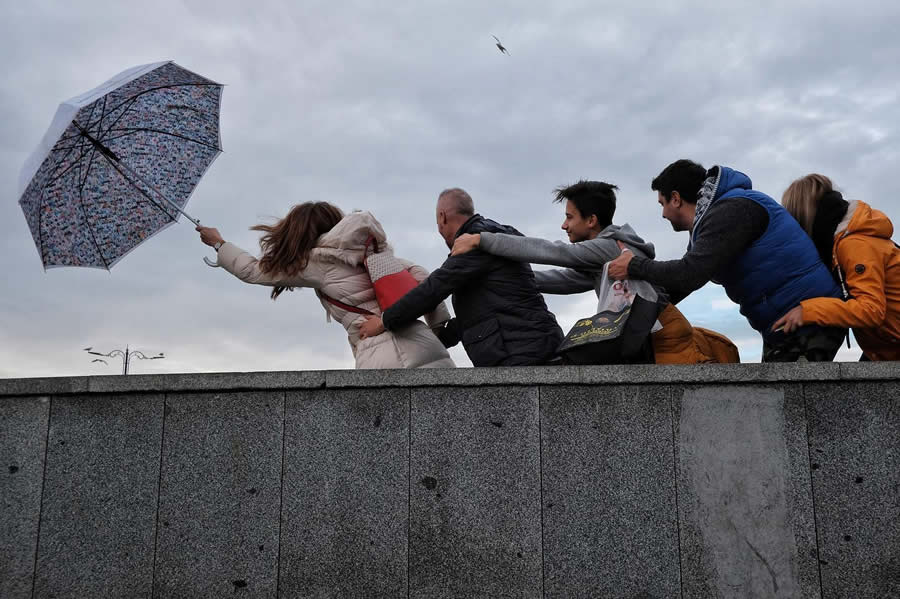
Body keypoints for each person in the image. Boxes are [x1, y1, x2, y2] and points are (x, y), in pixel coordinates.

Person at [450, 180, 739, 364]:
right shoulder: (607, 254)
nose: (564, 226)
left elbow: (556, 253)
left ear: (591, 220)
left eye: (569, 217)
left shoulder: (608, 247)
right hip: (653, 337)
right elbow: (563, 280)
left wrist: (483, 240)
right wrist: (509, 281)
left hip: (661, 340)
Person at [607, 160, 846, 362]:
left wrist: (633, 266)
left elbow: (690, 273)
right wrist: (631, 307)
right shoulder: (713, 221)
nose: (663, 214)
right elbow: (682, 283)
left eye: (662, 203)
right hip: (786, 324)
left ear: (676, 199)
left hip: (811, 317)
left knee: (791, 404)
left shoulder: (731, 211)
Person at [196, 202, 455, 369]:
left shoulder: (319, 261)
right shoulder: (378, 252)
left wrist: (219, 243)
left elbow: (252, 271)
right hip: (429, 348)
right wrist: (436, 330)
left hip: (382, 357)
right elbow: (423, 280)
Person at [357, 188, 563, 366]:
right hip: (533, 344)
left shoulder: (474, 243)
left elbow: (435, 287)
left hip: (520, 353)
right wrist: (439, 338)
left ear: (442, 217)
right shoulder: (493, 237)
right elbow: (483, 312)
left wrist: (384, 321)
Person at [773, 174, 900, 361]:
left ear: (801, 215)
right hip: (887, 348)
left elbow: (871, 310)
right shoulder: (838, 244)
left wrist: (807, 311)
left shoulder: (854, 244)